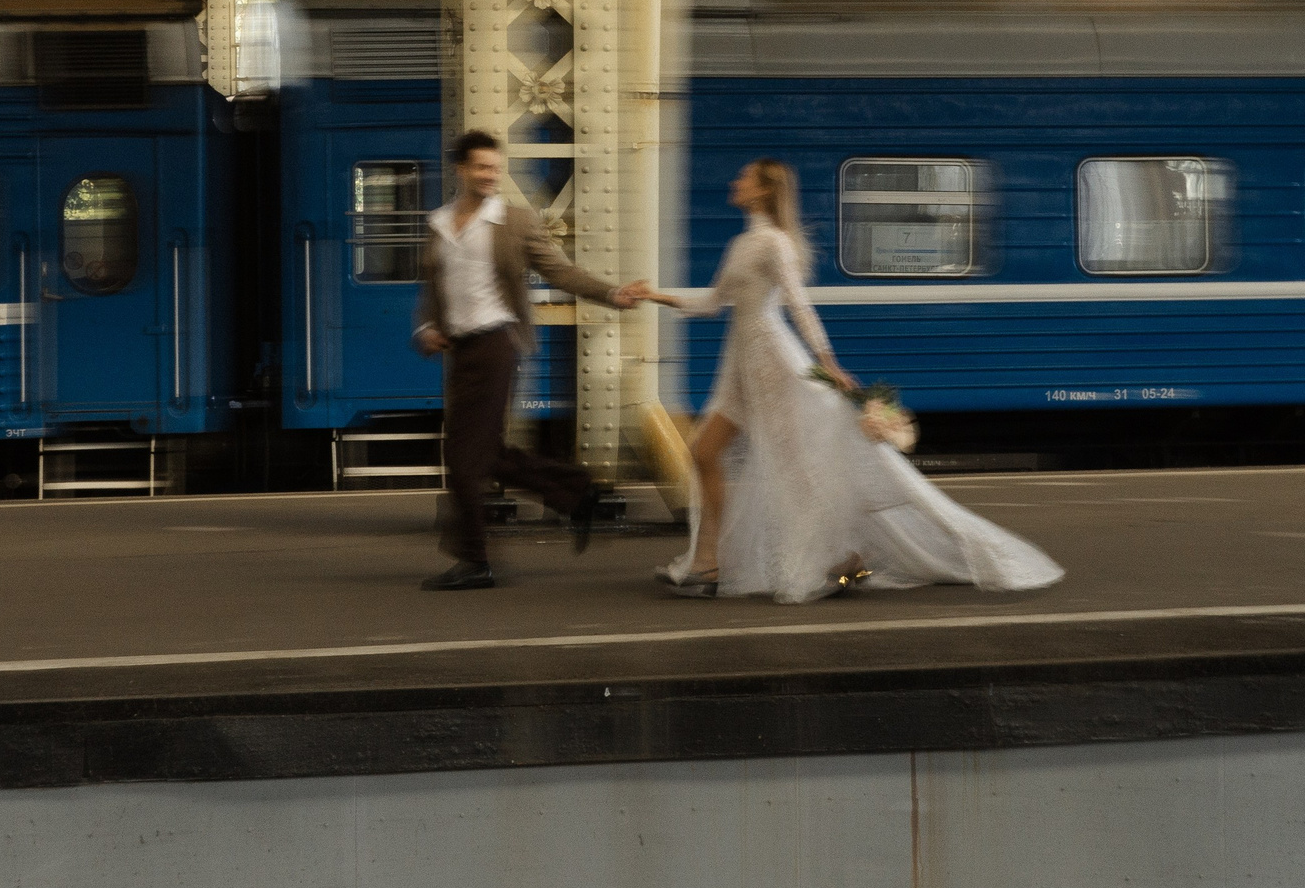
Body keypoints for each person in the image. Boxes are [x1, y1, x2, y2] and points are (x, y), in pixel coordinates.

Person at [637, 158, 1063, 604]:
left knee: (792, 471)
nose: (735, 181)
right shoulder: (744, 243)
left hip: (773, 362)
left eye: (744, 177)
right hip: (740, 364)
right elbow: (713, 302)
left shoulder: (774, 243)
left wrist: (828, 363)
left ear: (763, 190)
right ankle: (710, 563)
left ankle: (839, 560)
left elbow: (799, 306)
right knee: (705, 453)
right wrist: (654, 296)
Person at [413, 129, 648, 591]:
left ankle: (475, 561)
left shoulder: (514, 221)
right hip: (460, 352)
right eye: (481, 167)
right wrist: (427, 328)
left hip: (496, 345)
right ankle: (578, 492)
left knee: (462, 461)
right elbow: (433, 288)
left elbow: (559, 270)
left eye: (495, 168)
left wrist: (612, 293)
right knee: (487, 454)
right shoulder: (439, 223)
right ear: (461, 169)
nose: (489, 175)